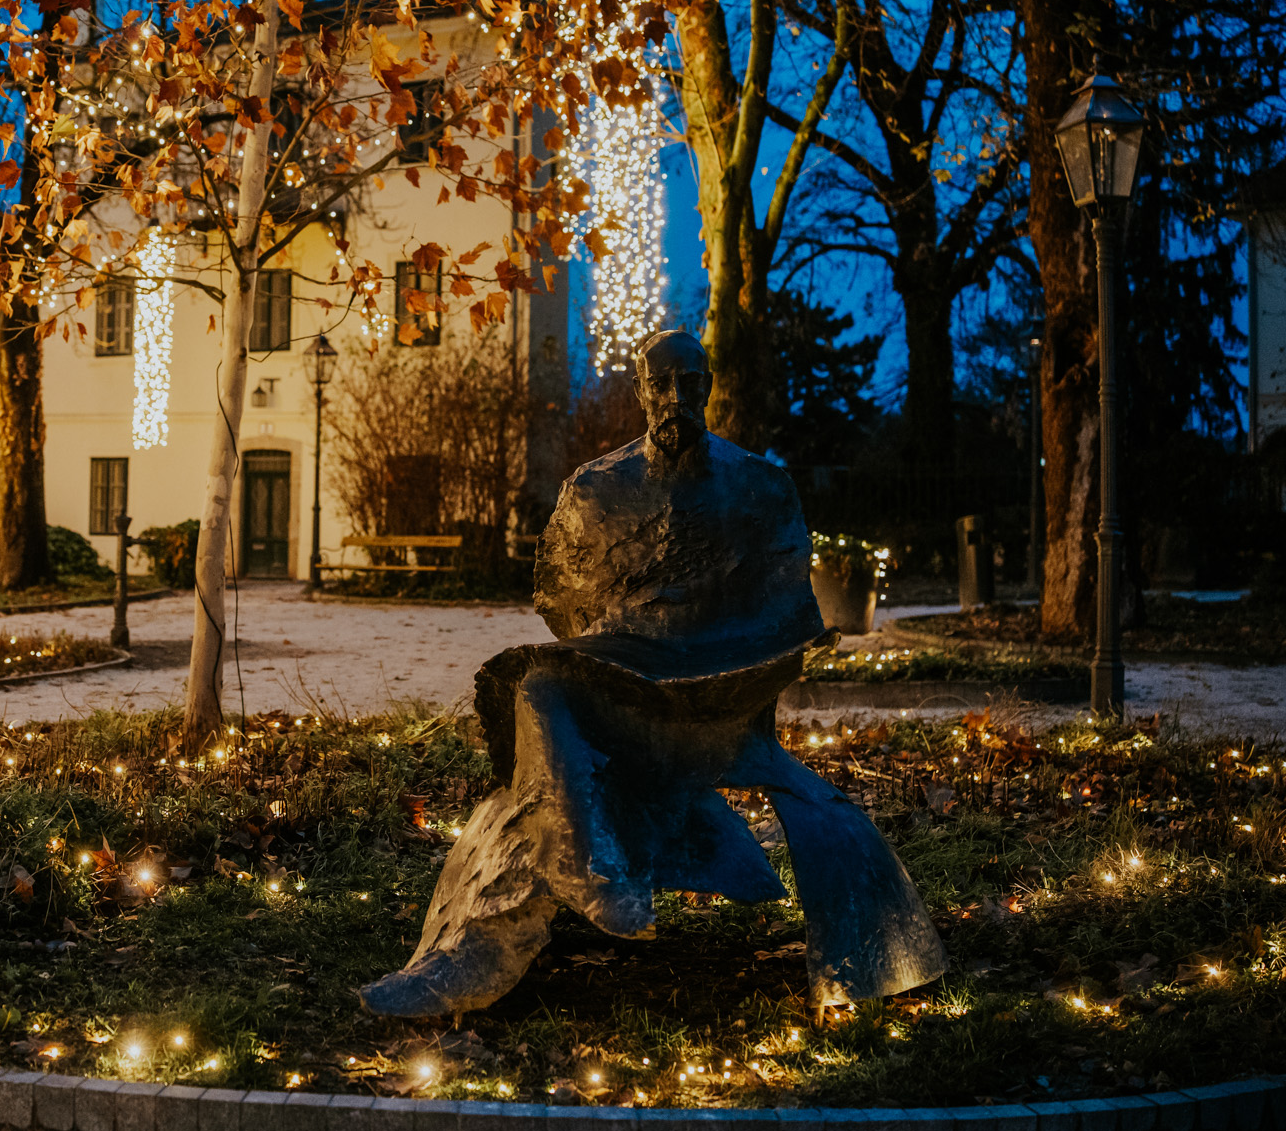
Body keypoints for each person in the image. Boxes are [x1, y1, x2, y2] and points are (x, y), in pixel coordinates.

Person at [360, 330, 945, 1018]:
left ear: (709, 387)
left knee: (552, 721)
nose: (676, 398)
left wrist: (717, 657)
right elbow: (563, 603)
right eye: (662, 383)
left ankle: (586, 861)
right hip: (627, 696)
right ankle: (588, 871)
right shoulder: (597, 487)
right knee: (540, 688)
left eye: (691, 383)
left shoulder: (759, 486)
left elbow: (791, 616)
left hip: (721, 712)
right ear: (640, 388)